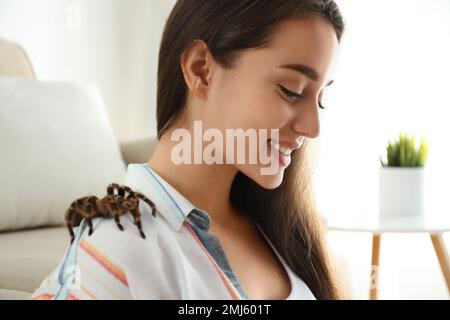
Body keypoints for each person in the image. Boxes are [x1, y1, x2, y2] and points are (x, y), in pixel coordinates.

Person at [32, 0, 345, 300]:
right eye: (292, 91)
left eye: (320, 99)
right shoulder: (121, 244)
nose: (312, 127)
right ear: (201, 70)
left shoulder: (277, 231)